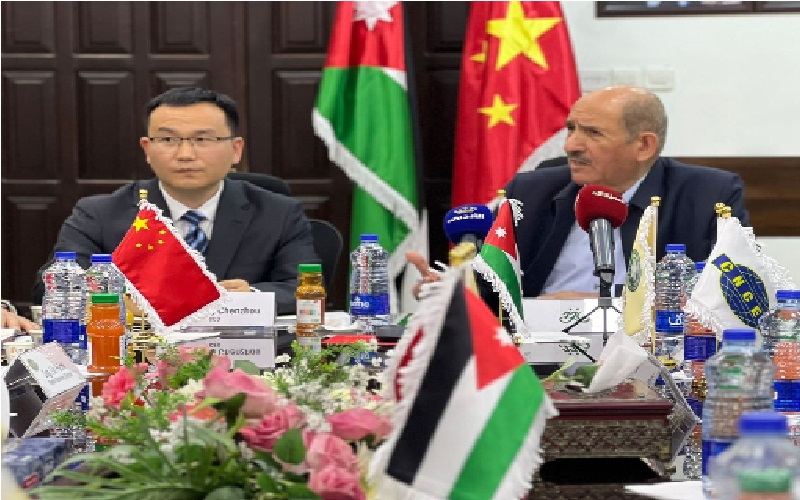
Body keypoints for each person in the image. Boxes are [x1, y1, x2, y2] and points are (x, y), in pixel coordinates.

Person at [410, 85, 748, 301]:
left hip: (650, 353)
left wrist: (597, 303)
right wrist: (453, 288)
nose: (571, 145)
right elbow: (494, 285)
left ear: (644, 146)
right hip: (535, 354)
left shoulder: (709, 195)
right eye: (571, 129)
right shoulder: (530, 191)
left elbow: (725, 293)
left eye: (593, 133)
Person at [32, 87, 319, 315]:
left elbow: (304, 290)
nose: (185, 155)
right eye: (168, 140)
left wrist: (250, 297)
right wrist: (129, 302)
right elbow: (53, 289)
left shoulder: (279, 213)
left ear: (235, 149)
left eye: (202, 140)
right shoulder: (99, 214)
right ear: (147, 149)